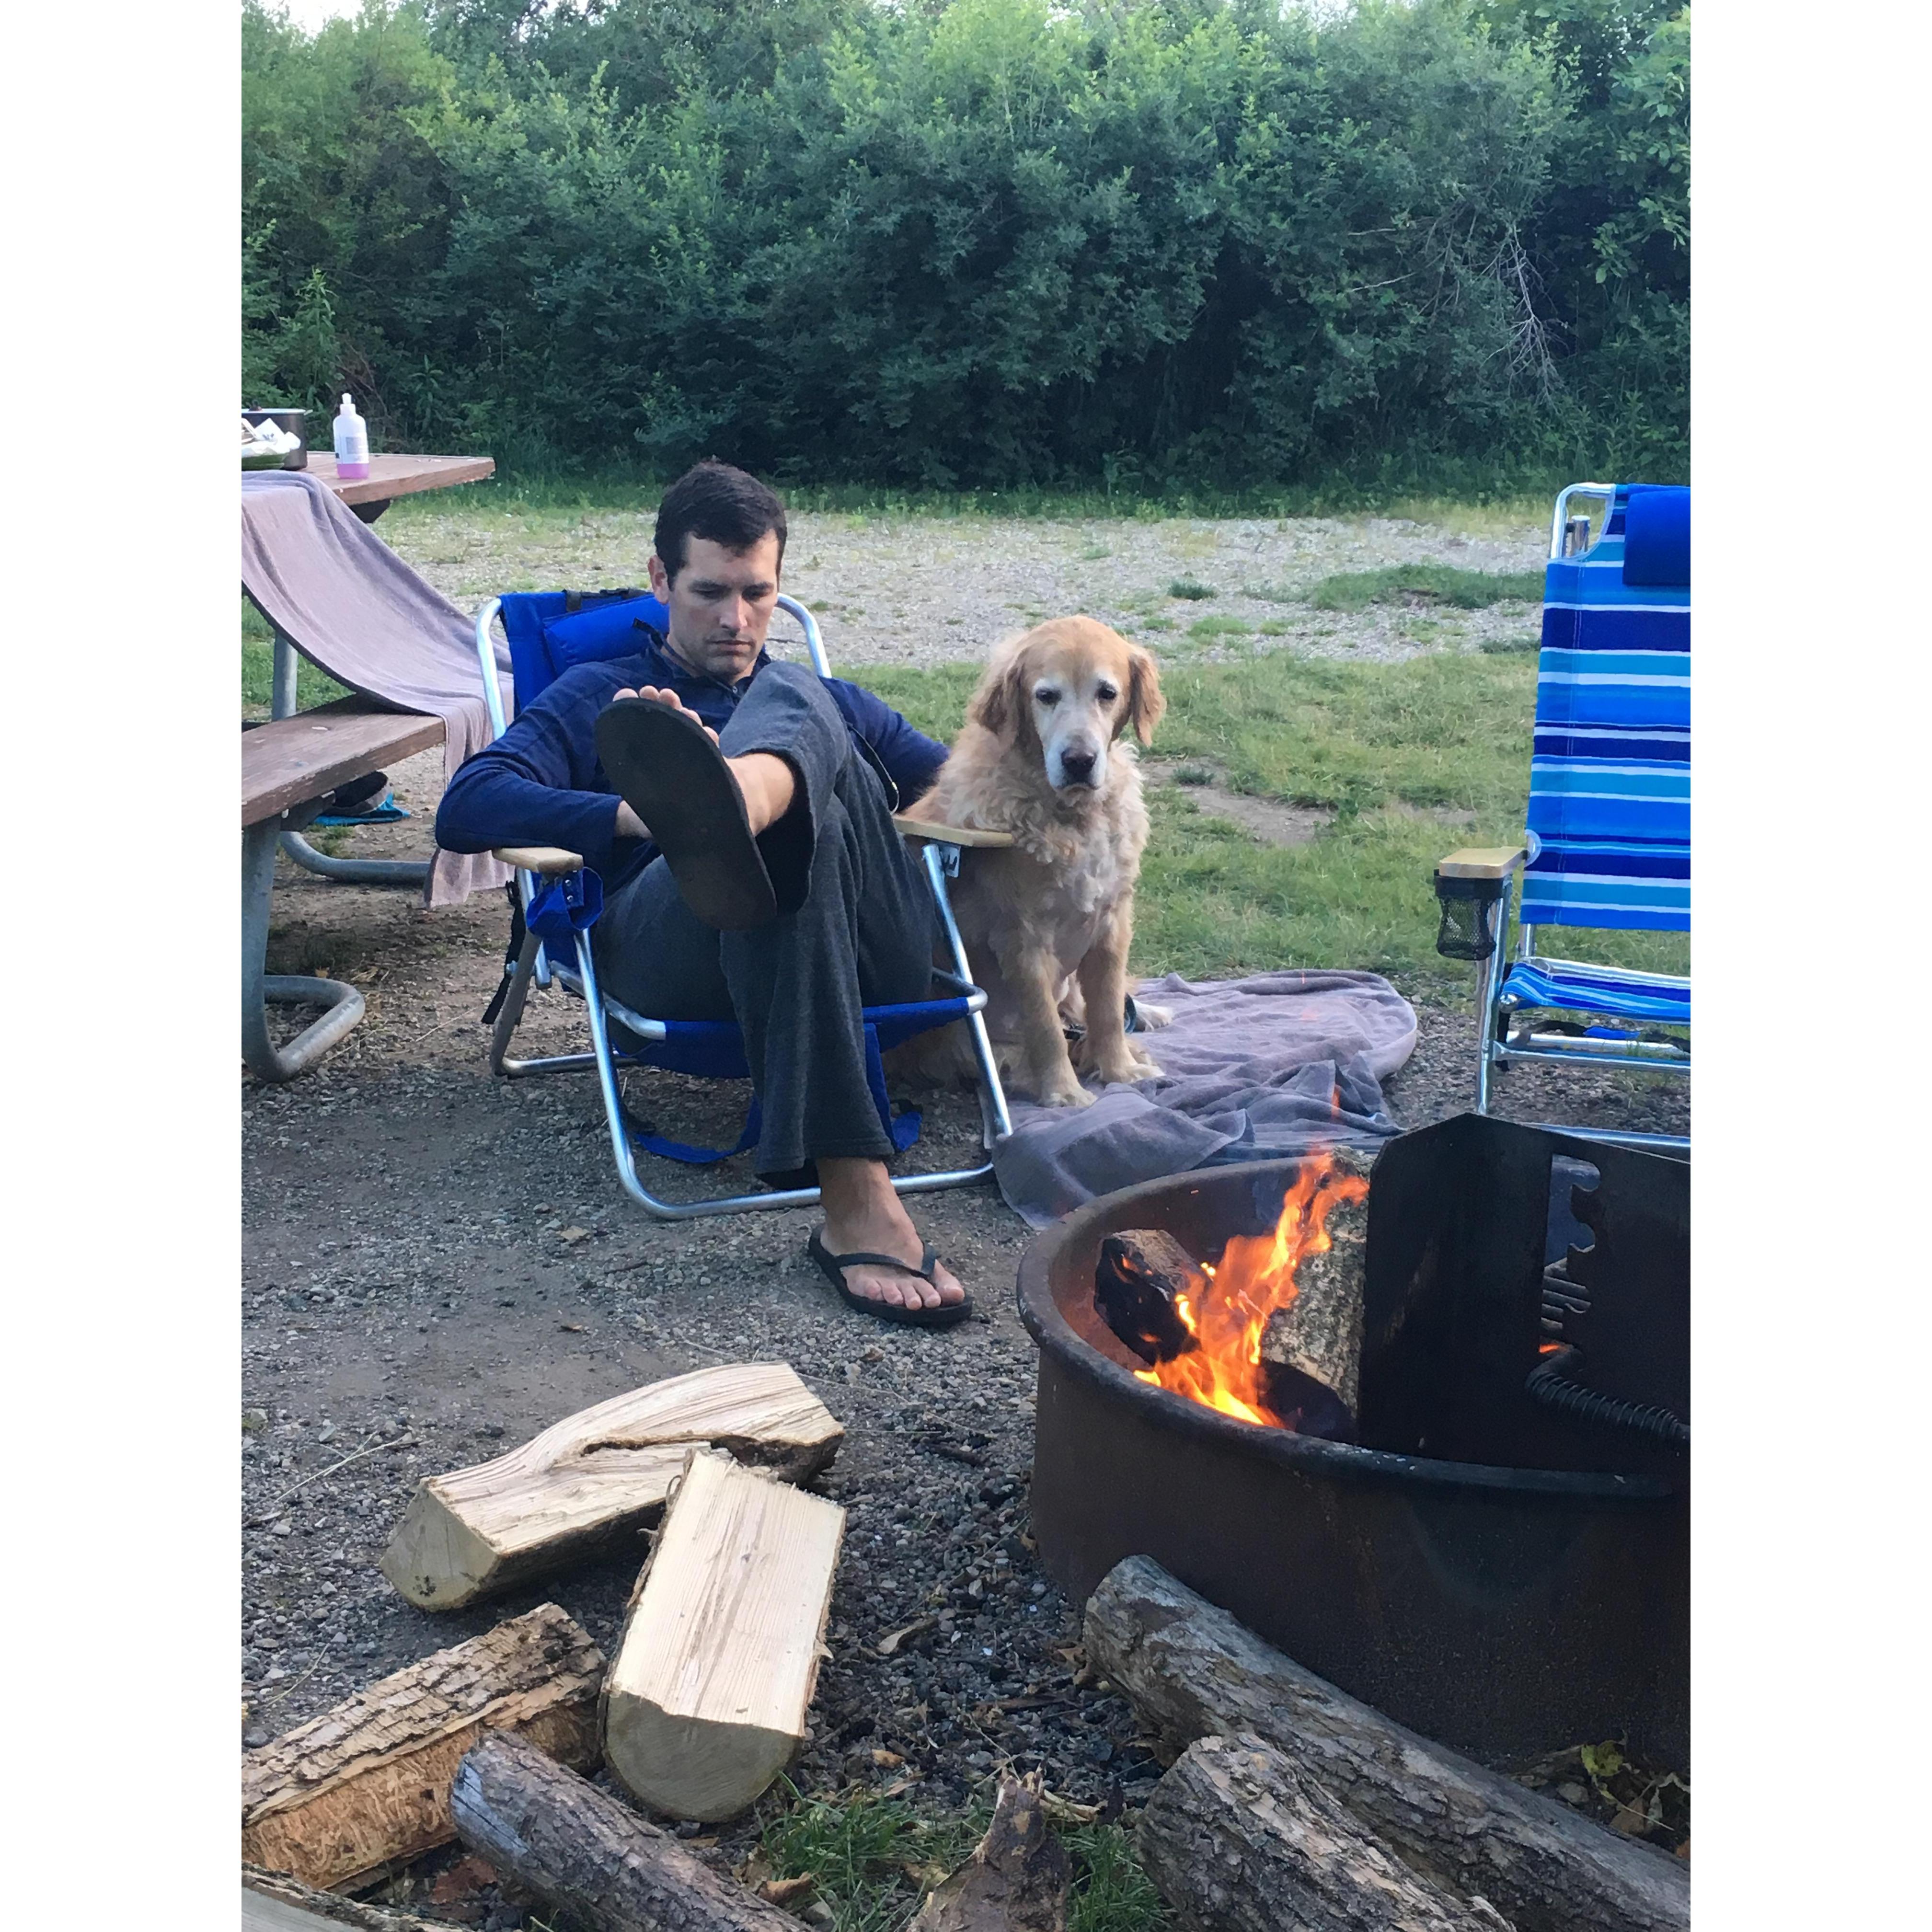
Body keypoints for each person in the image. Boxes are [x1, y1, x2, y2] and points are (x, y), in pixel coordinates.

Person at [436, 460, 972, 1325]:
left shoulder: (823, 693)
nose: (737, 620)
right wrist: (640, 814)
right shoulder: (597, 695)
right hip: (680, 942)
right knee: (807, 823)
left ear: (780, 583)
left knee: (800, 704)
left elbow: (964, 784)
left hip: (872, 954)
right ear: (659, 581)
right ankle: (856, 1192)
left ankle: (745, 797)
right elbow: (467, 805)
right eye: (710, 593)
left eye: (758, 594)